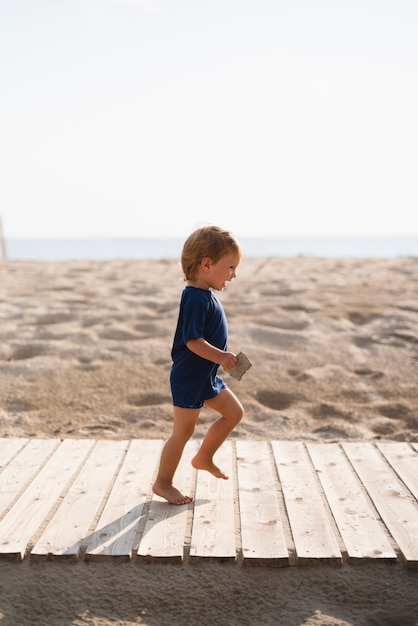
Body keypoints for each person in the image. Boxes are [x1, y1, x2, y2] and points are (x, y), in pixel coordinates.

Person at [152, 224, 244, 505]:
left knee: (234, 413)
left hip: (207, 376)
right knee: (182, 432)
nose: (234, 274)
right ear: (206, 264)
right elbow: (192, 341)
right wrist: (221, 356)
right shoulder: (193, 298)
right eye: (230, 267)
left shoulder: (205, 295)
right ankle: (163, 483)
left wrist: (219, 361)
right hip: (190, 377)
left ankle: (204, 456)